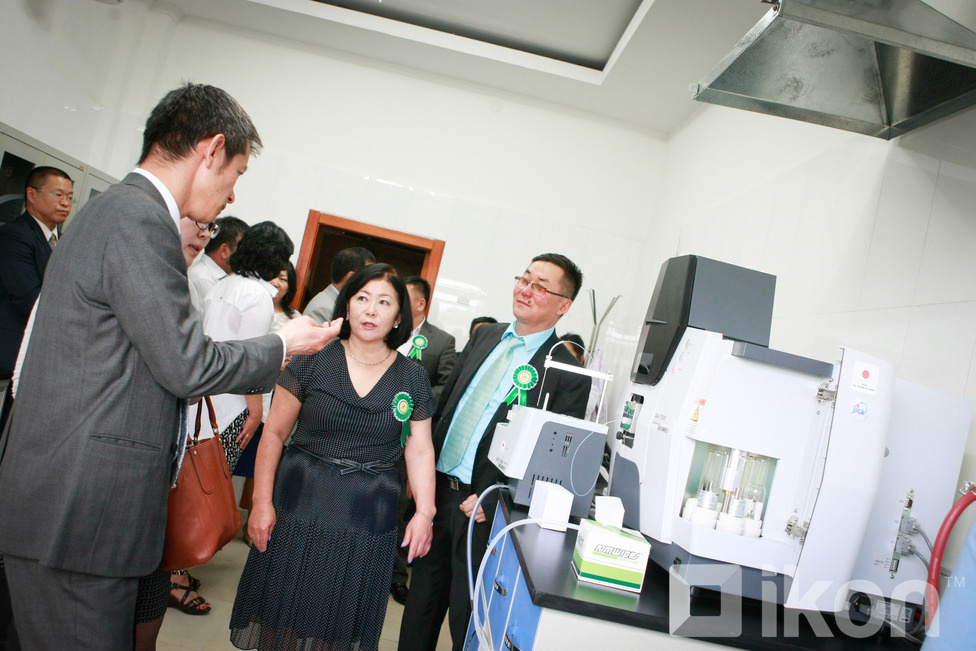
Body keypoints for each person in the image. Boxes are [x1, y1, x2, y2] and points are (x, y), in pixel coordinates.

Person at [0, 83, 340, 650]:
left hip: (70, 501)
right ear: (211, 150)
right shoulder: (138, 219)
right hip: (78, 512)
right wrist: (284, 344)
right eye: (236, 173)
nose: (232, 195)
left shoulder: (116, 210)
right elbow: (186, 362)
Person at [230, 263, 437, 650]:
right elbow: (274, 433)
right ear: (347, 305)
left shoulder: (413, 377)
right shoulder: (312, 359)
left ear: (399, 317)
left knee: (338, 622)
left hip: (368, 516)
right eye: (362, 298)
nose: (371, 310)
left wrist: (425, 512)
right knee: (283, 612)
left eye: (384, 302)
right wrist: (260, 502)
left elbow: (421, 448)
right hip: (300, 504)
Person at [399, 253, 592, 651]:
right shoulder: (486, 336)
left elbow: (552, 463)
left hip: (484, 512)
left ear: (563, 305)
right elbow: (448, 405)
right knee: (418, 613)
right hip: (436, 497)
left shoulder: (566, 371)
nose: (526, 290)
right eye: (524, 279)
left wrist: (501, 495)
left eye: (540, 286)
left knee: (467, 621)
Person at [133, 216, 219, 649]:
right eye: (198, 222)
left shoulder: (188, 286)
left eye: (212, 226)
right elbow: (186, 370)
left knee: (152, 580)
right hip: (125, 467)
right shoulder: (140, 276)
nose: (204, 234)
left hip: (163, 463)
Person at [202, 221, 295, 474]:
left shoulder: (222, 284)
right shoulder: (257, 295)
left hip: (203, 395)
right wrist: (255, 413)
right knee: (215, 478)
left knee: (195, 476)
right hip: (232, 405)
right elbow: (252, 361)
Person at [391, 275, 458, 603]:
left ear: (420, 303)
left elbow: (447, 387)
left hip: (412, 437)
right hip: (376, 434)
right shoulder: (387, 329)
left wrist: (410, 399)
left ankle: (396, 576)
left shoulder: (442, 341)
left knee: (402, 508)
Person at [233, 260, 303, 545]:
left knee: (261, 464)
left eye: (284, 278)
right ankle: (218, 518)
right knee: (230, 460)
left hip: (277, 397)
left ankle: (254, 522)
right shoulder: (255, 306)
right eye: (274, 276)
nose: (278, 282)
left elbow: (300, 357)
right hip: (243, 395)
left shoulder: (295, 317)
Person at [303, 246, 376, 325]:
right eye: (367, 277)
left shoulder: (340, 302)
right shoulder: (323, 309)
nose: (371, 282)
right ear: (351, 277)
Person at [187, 215, 249, 301]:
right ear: (224, 251)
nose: (247, 255)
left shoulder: (229, 276)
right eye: (243, 249)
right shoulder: (202, 279)